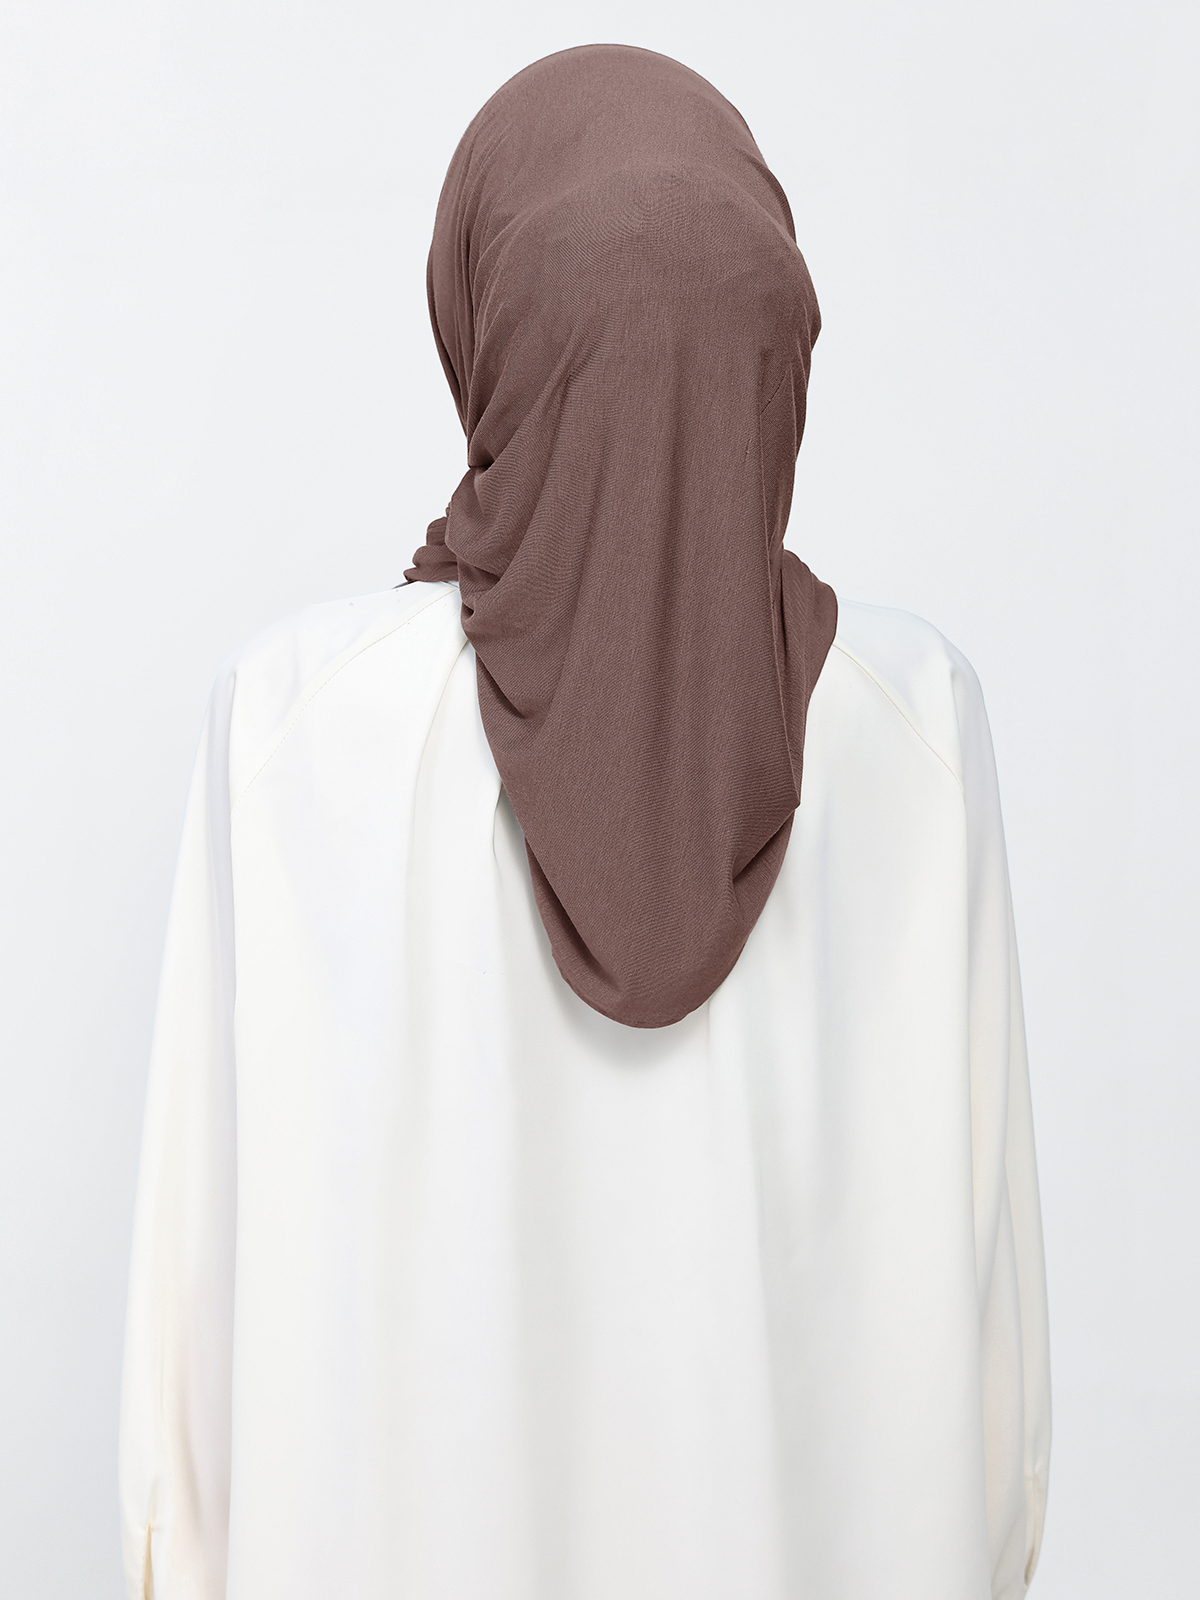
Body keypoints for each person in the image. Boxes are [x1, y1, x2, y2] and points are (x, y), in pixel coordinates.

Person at [119, 43, 1050, 1600]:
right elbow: (994, 1354)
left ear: (489, 317)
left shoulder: (293, 722)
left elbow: (189, 1364)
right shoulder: (916, 720)